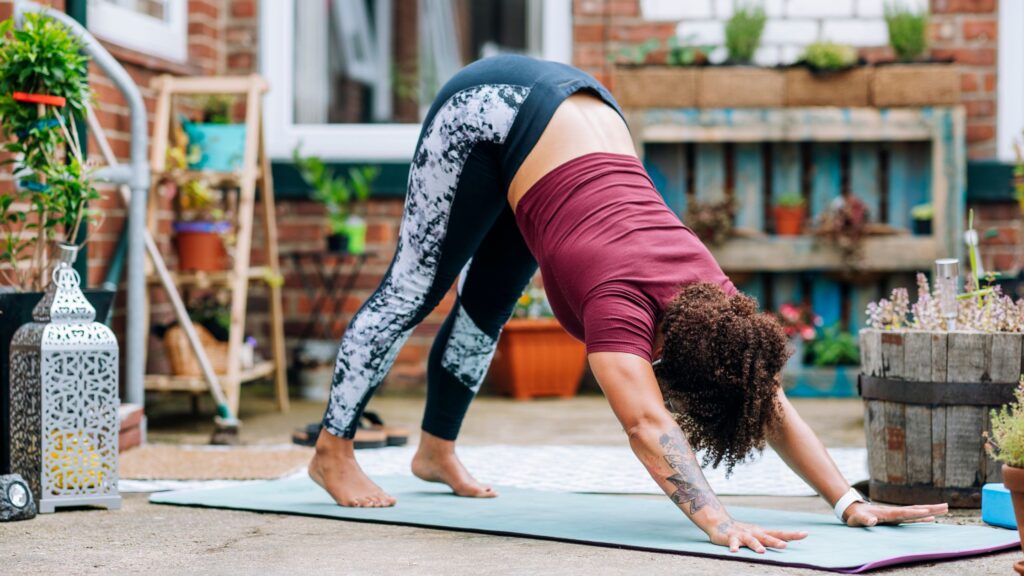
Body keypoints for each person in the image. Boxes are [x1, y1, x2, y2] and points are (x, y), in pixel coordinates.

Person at [308, 55, 947, 553]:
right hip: (489, 110)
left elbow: (768, 400)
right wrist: (718, 523)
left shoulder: (716, 298)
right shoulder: (621, 310)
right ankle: (332, 452)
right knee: (415, 287)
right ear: (667, 360)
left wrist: (847, 501)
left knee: (490, 303)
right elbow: (648, 427)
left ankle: (435, 453)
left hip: (574, 127)